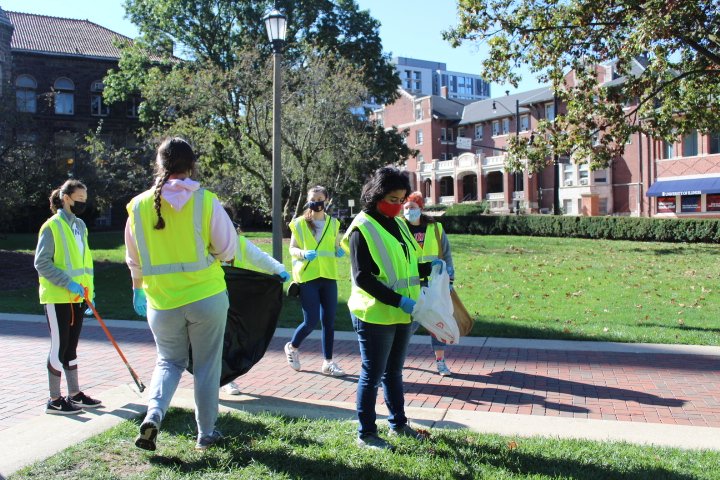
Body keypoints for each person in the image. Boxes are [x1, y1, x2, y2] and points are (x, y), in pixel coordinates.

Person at [125, 137, 237, 452]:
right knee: (206, 366)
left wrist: (137, 290)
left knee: (168, 362)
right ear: (191, 165)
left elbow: (134, 259)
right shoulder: (205, 200)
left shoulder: (138, 206)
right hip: (207, 297)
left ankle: (154, 416)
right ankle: (207, 433)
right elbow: (228, 249)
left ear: (159, 165)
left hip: (161, 302)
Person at [341, 167, 436, 451]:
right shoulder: (362, 227)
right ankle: (367, 434)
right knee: (372, 375)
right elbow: (362, 277)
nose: (398, 205)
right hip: (375, 313)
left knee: (393, 372)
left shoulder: (399, 223)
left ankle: (398, 424)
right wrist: (399, 301)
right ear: (377, 195)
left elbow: (404, 264)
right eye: (393, 199)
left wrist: (429, 267)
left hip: (403, 312)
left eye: (402, 199)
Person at [34, 179, 103, 415]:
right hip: (57, 296)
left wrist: (89, 293)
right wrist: (68, 283)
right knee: (59, 347)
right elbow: (41, 263)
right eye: (79, 200)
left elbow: (85, 263)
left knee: (71, 347)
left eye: (85, 200)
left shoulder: (80, 226)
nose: (83, 204)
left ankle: (75, 394)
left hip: (78, 297)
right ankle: (54, 399)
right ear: (66, 199)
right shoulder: (51, 227)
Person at [222, 220, 290, 395]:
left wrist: (278, 269)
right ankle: (215, 379)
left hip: (236, 302)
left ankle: (226, 379)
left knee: (232, 339)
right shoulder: (205, 243)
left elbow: (259, 257)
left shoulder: (240, 243)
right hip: (210, 300)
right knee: (215, 341)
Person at [284, 186, 346, 376]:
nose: (316, 201)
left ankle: (328, 362)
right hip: (307, 276)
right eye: (313, 198)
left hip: (328, 276)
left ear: (326, 200)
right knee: (310, 321)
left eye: (320, 198)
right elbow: (292, 248)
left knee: (329, 321)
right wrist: (302, 253)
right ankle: (292, 347)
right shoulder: (300, 223)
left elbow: (334, 246)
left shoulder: (334, 224)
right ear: (308, 200)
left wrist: (338, 250)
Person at [403, 192, 456, 376]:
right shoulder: (399, 228)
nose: (410, 211)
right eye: (407, 208)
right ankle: (397, 358)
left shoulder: (435, 228)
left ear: (421, 208)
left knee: (437, 323)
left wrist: (450, 279)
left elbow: (446, 254)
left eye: (413, 207)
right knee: (409, 324)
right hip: (411, 283)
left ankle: (440, 362)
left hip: (435, 284)